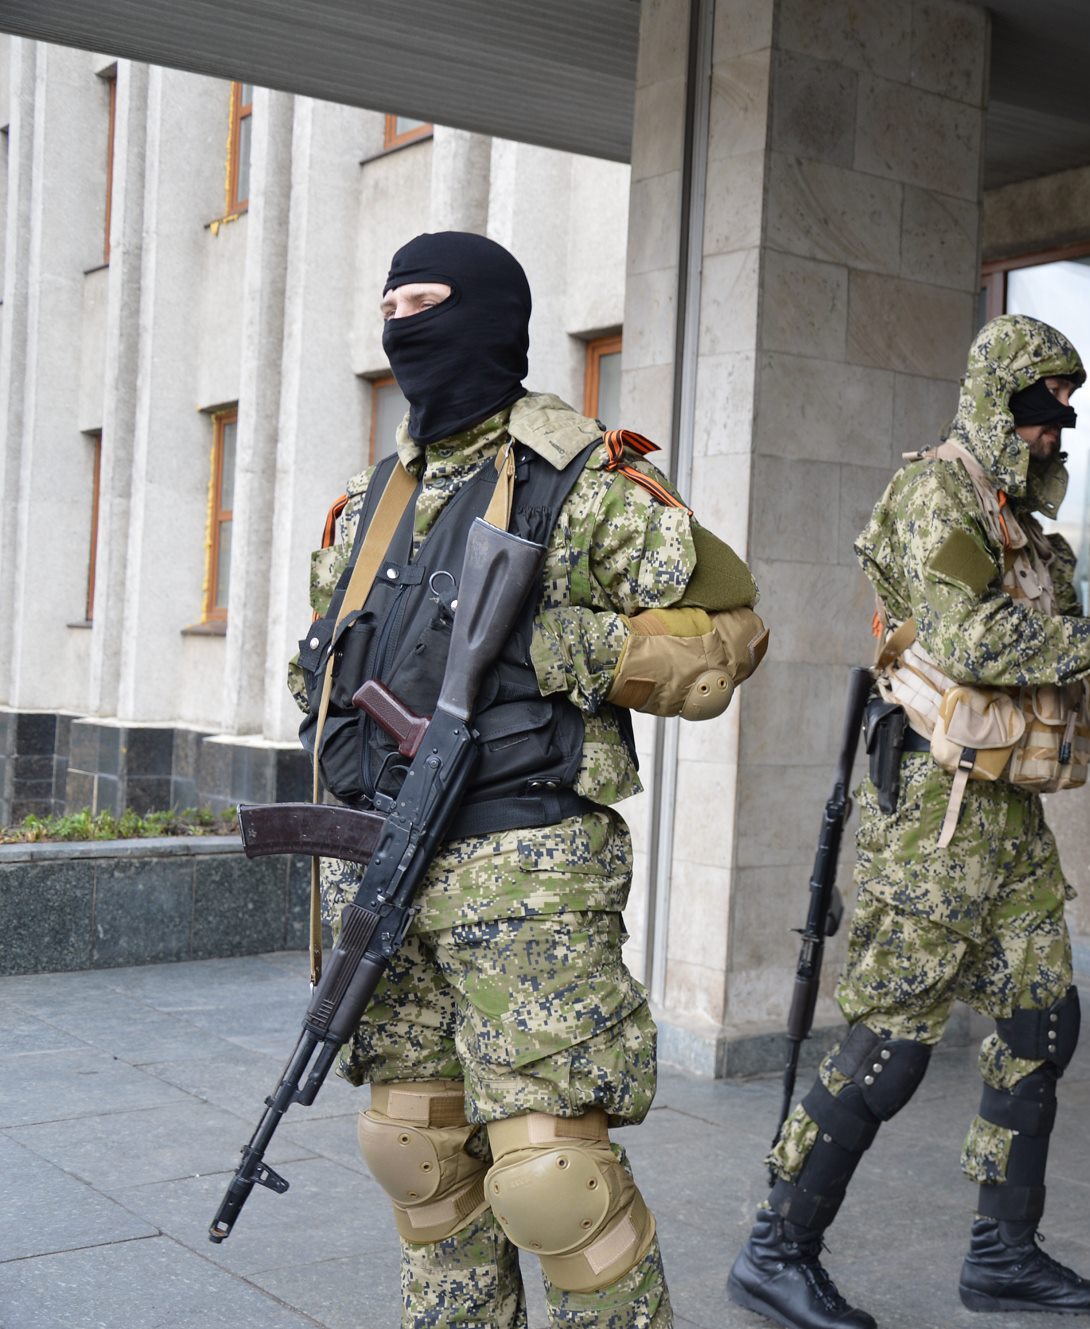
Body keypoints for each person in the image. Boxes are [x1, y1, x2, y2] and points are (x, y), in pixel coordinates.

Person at [292, 230, 767, 1329]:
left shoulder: (580, 476)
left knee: (553, 1184)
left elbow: (732, 631)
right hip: (382, 869)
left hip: (526, 876)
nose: (403, 324)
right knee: (418, 1159)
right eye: (390, 300)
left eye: (427, 300)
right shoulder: (375, 501)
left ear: (491, 317)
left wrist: (574, 652)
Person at [726, 314, 1090, 1329]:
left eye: (1068, 412)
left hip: (1005, 818)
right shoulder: (933, 493)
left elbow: (1042, 639)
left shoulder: (1019, 527)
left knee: (1043, 1020)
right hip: (933, 823)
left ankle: (1002, 1255)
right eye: (1045, 410)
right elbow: (974, 638)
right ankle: (774, 1251)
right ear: (1001, 401)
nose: (1059, 430)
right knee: (890, 1046)